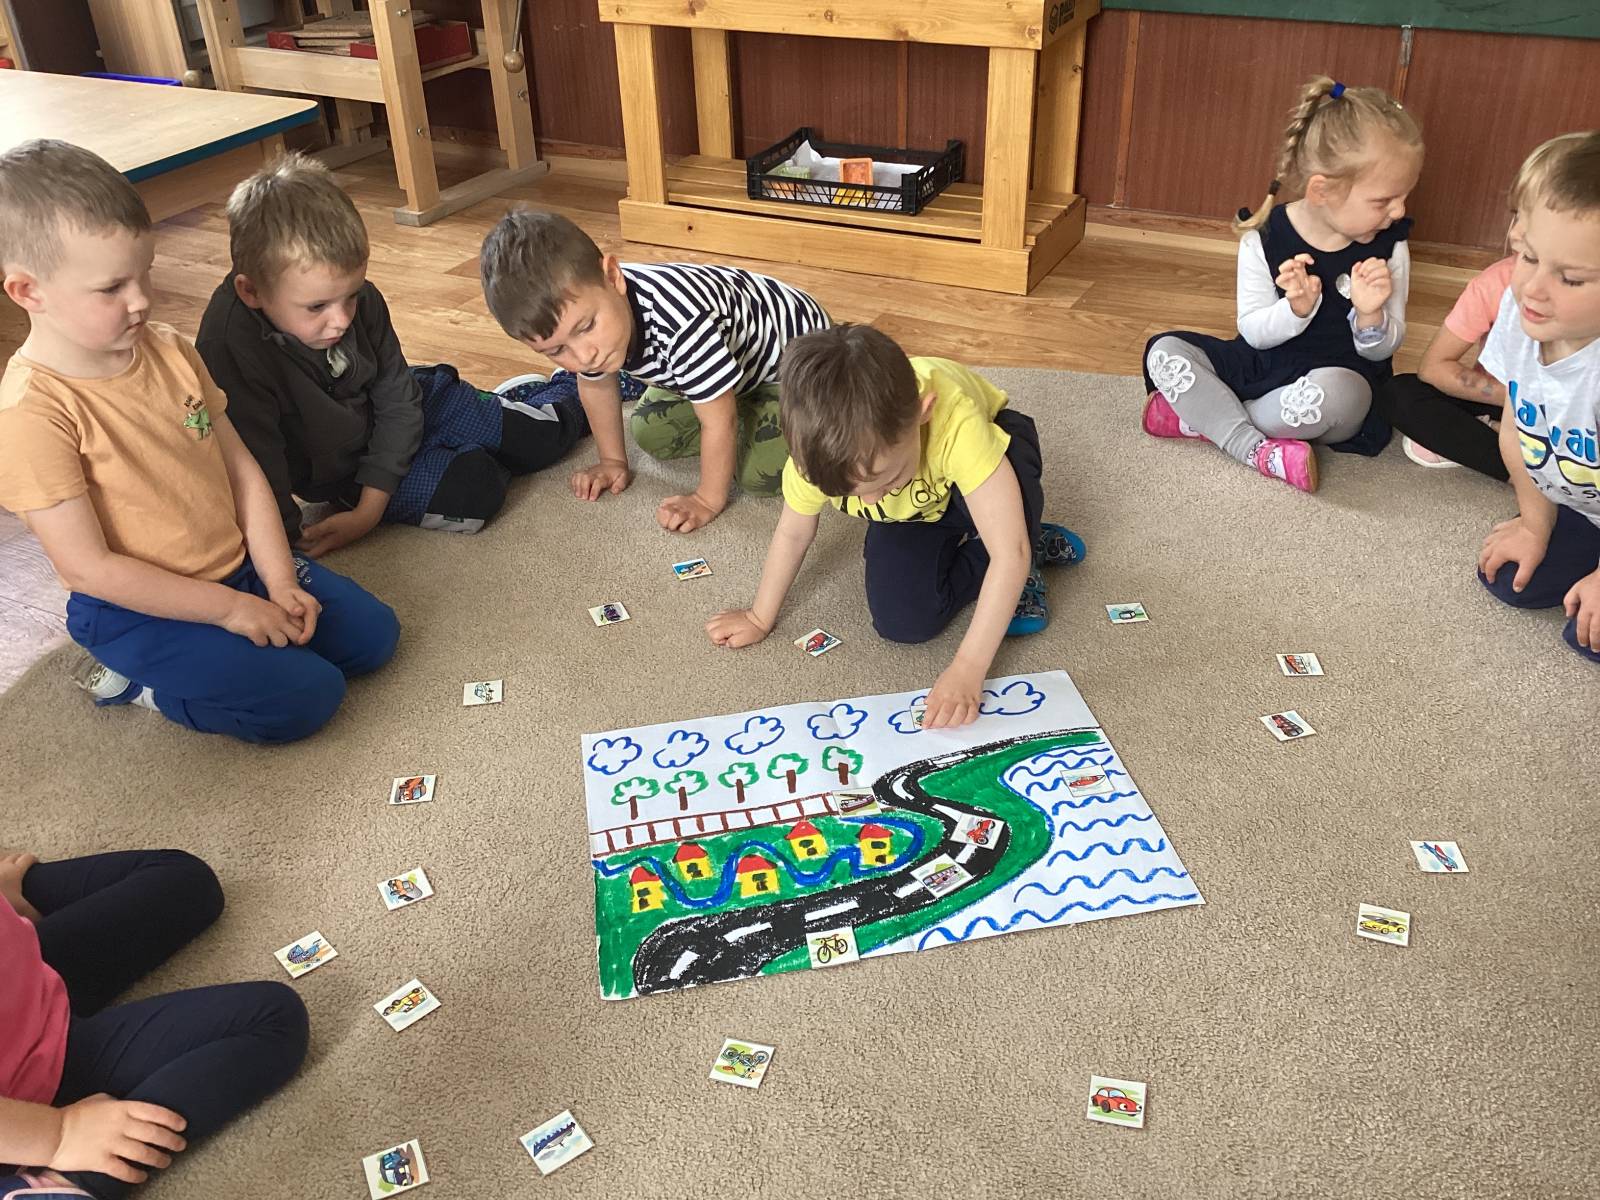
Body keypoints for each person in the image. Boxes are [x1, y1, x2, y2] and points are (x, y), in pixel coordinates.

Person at [0, 140, 398, 743]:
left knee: (374, 639)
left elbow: (242, 474)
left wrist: (279, 580)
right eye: (112, 287)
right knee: (307, 698)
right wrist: (232, 611)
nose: (141, 298)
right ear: (28, 292)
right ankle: (144, 688)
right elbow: (89, 568)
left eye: (145, 272)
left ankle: (239, 629)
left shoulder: (170, 349)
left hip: (237, 566)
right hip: (133, 612)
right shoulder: (31, 412)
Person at [197, 154, 589, 553]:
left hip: (415, 404)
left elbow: (397, 398)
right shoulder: (228, 347)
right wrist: (296, 540)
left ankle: (558, 389)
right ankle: (490, 422)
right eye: (317, 307)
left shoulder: (358, 301)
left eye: (352, 295)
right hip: (346, 473)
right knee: (477, 491)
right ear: (251, 291)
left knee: (544, 439)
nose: (342, 320)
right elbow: (256, 464)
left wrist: (369, 515)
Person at [706, 325, 1084, 729]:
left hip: (983, 468)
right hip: (918, 506)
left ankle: (1024, 538)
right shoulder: (813, 456)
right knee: (903, 623)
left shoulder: (956, 424)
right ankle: (1019, 543)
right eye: (851, 493)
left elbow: (1009, 554)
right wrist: (760, 616)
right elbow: (793, 533)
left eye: (885, 480)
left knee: (1011, 545)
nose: (870, 502)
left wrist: (967, 668)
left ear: (923, 413)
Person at [1140, 76, 1423, 492]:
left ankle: (1208, 420)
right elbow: (1253, 333)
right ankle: (1254, 446)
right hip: (1264, 364)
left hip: (1339, 377)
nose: (1398, 212)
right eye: (1383, 201)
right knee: (1164, 352)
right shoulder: (1264, 237)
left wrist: (1371, 316)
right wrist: (1294, 311)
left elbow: (1382, 349)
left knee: (1346, 395)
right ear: (1322, 190)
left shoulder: (1390, 247)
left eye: (1404, 196)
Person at [478, 209, 831, 533]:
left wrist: (707, 499)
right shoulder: (596, 323)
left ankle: (814, 420)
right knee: (649, 431)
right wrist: (612, 461)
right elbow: (596, 385)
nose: (584, 356)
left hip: (804, 372)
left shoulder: (682, 324)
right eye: (556, 351)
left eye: (586, 327)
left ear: (613, 276)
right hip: (734, 370)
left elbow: (719, 419)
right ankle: (724, 397)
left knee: (755, 472)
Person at [0, 847, 308, 1199]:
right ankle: (59, 1184)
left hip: (27, 975)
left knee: (185, 881)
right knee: (273, 1018)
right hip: (29, 1092)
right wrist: (60, 1135)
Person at [1376, 133, 1586, 475]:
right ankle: (1526, 468)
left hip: (1575, 420)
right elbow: (1434, 367)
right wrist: (1521, 403)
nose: (1514, 233)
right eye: (1516, 215)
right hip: (1507, 403)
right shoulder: (1496, 283)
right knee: (1400, 393)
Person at [1476, 131, 1600, 662]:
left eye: (1569, 278)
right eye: (1527, 256)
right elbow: (1516, 429)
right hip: (1581, 502)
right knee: (1510, 579)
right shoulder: (1521, 311)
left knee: (1588, 640)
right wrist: (1533, 523)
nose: (1533, 289)